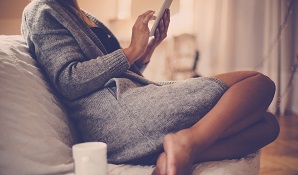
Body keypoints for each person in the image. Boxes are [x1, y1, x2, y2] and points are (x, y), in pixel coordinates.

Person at [21, 0, 280, 175]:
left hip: (130, 104)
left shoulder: (80, 14)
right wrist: (131, 50)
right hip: (116, 119)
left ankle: (178, 153)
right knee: (258, 84)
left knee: (268, 126)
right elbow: (69, 80)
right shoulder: (42, 10)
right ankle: (186, 141)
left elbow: (114, 75)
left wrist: (145, 52)